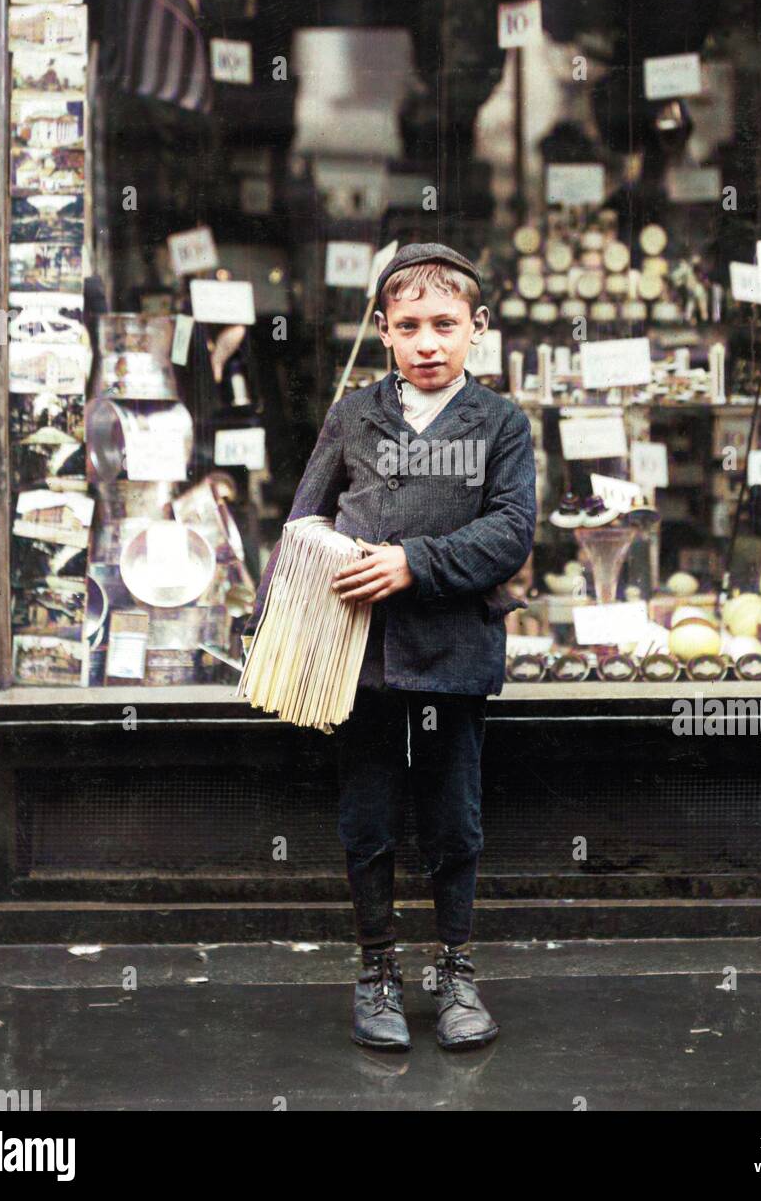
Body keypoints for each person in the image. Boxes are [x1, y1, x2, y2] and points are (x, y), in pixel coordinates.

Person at [248, 242, 537, 1051]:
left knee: (454, 820)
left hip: (452, 656)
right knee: (367, 817)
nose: (428, 343)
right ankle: (376, 967)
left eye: (445, 324)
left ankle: (455, 968)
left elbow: (511, 533)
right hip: (360, 660)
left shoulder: (499, 424)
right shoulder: (353, 415)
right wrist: (273, 622)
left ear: (476, 329)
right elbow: (304, 517)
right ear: (382, 330)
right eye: (408, 325)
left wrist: (415, 563)